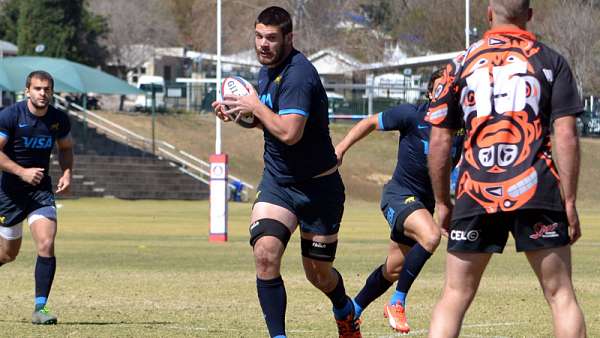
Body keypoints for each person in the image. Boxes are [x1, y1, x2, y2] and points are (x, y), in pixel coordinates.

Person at [426, 1, 587, 337]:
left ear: (489, 13)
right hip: (537, 189)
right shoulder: (551, 60)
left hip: (474, 191)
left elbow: (440, 141)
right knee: (560, 295)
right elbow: (566, 135)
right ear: (529, 15)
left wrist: (442, 201)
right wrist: (569, 201)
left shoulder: (458, 64)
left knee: (454, 295)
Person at [212, 6, 360, 338]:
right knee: (265, 253)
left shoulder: (298, 75)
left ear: (289, 38)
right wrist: (237, 113)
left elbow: (290, 132)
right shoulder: (267, 69)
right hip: (279, 183)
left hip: (319, 189)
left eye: (272, 38)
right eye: (259, 37)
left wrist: (254, 106)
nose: (263, 44)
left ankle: (344, 309)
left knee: (318, 274)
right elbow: (265, 120)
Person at [335, 70, 463, 334]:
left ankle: (352, 312)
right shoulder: (412, 115)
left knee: (393, 269)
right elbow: (369, 122)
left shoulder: (460, 127)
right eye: (441, 88)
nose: (446, 93)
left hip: (422, 205)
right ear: (430, 93)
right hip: (398, 195)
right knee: (431, 236)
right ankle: (397, 302)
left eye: (451, 89)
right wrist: (341, 149)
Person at [0, 71, 73, 325]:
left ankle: (40, 309)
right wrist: (22, 172)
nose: (43, 93)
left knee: (46, 243)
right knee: (8, 254)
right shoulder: (10, 116)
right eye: (38, 89)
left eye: (47, 89)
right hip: (9, 193)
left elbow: (65, 148)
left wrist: (66, 172)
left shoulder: (58, 119)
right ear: (27, 90)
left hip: (40, 191)